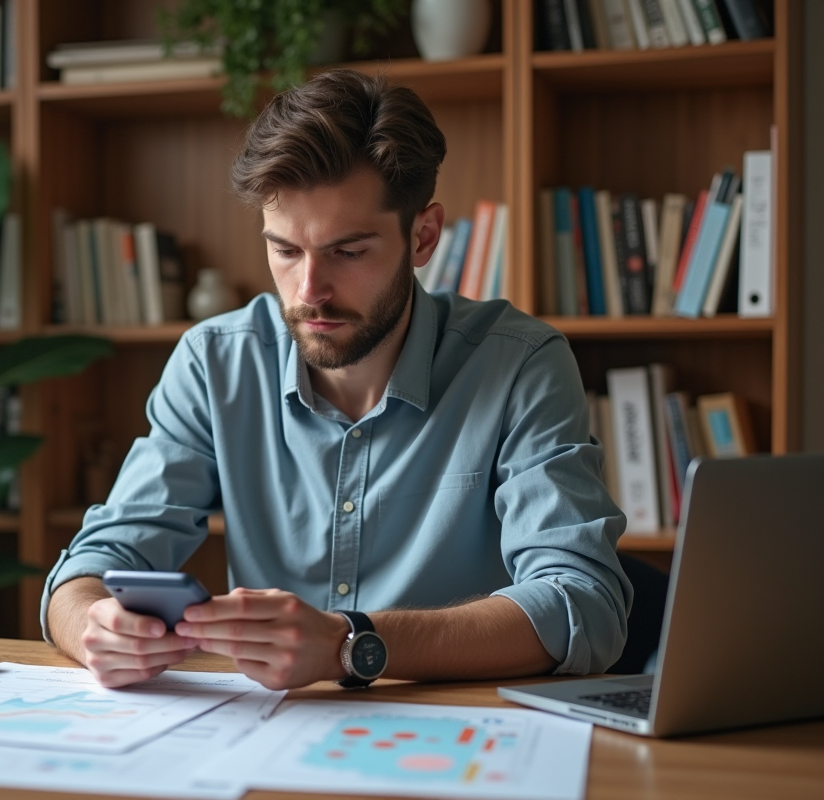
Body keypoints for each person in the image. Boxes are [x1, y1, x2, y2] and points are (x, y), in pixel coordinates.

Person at [42, 69, 631, 691]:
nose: (309, 291)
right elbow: (91, 566)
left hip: (454, 731)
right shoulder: (214, 363)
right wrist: (92, 624)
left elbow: (584, 603)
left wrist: (351, 644)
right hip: (262, 733)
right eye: (285, 251)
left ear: (423, 236)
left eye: (348, 252)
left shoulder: (521, 364)